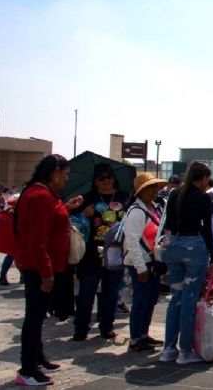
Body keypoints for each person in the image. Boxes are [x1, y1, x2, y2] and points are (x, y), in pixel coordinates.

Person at [13, 155, 82, 386]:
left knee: (38, 316)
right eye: (65, 174)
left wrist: (66, 208)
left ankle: (37, 357)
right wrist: (46, 272)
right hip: (38, 268)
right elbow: (37, 239)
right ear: (55, 172)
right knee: (34, 317)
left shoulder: (41, 194)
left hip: (42, 265)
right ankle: (27, 368)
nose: (66, 179)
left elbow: (50, 221)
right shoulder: (40, 196)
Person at [158, 161, 213, 365]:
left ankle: (168, 348)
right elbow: (207, 229)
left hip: (172, 245)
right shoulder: (203, 198)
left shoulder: (174, 194)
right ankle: (185, 350)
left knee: (176, 298)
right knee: (190, 299)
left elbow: (167, 224)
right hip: (194, 247)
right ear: (203, 178)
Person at [72, 163, 131, 341]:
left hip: (115, 252)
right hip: (91, 253)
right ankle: (81, 328)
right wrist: (83, 212)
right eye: (100, 178)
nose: (105, 181)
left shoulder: (125, 197)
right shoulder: (87, 198)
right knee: (86, 292)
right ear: (95, 181)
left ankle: (107, 327)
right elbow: (73, 221)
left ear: (114, 178)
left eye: (108, 177)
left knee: (111, 292)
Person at [122, 172, 168, 353]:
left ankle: (144, 333)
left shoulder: (154, 209)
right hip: (139, 263)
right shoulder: (136, 212)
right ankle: (135, 337)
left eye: (154, 187)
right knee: (140, 301)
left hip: (152, 261)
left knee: (150, 301)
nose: (153, 191)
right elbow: (132, 241)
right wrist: (140, 267)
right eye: (149, 188)